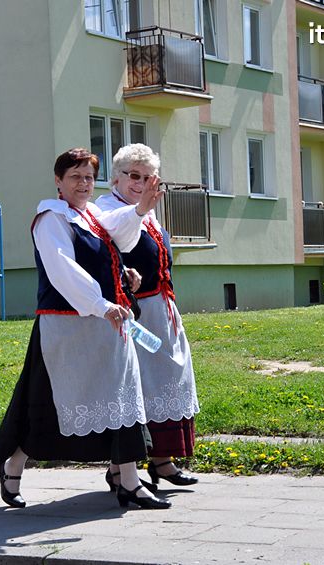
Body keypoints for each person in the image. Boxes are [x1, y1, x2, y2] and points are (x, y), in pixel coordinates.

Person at [0, 148, 170, 510]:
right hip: (68, 326)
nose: (84, 184)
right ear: (58, 181)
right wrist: (101, 304)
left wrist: (125, 261)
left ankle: (130, 483)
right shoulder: (51, 217)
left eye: (89, 177)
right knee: (52, 406)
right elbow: (63, 270)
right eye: (75, 177)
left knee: (123, 400)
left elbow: (118, 240)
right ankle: (14, 463)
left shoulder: (91, 216)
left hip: (107, 324)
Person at [96, 144, 200, 487]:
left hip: (160, 306)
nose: (140, 183)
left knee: (166, 379)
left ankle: (161, 460)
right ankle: (120, 468)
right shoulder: (106, 208)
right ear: (116, 177)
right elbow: (116, 236)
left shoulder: (146, 210)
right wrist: (140, 209)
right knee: (135, 387)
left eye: (147, 177)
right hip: (131, 311)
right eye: (133, 175)